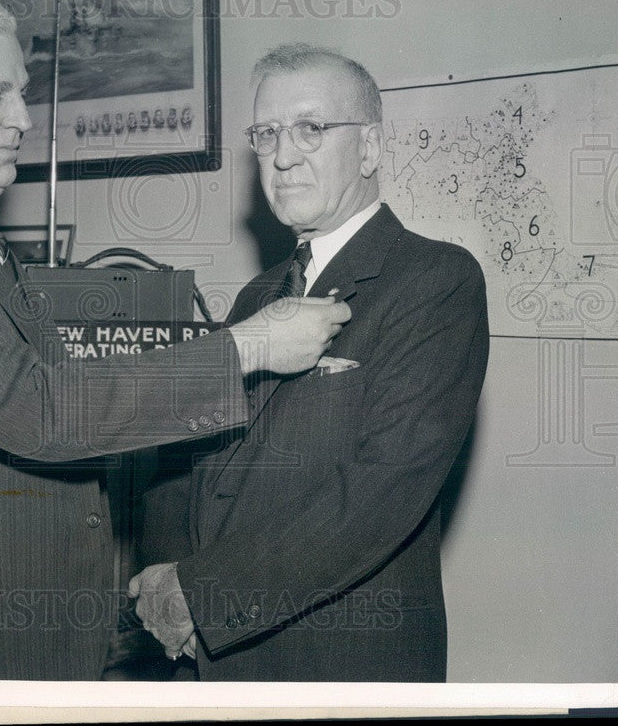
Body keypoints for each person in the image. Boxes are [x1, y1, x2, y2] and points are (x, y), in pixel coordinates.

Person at [0, 0, 350, 680]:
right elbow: (37, 410)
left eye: (21, 94)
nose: (23, 119)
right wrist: (246, 346)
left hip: (11, 651)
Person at [132, 43, 490, 681]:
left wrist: (201, 594)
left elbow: (379, 496)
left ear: (371, 149)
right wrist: (165, 583)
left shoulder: (435, 280)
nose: (282, 154)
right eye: (267, 132)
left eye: (311, 129)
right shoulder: (257, 295)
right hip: (213, 657)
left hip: (338, 662)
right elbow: (187, 461)